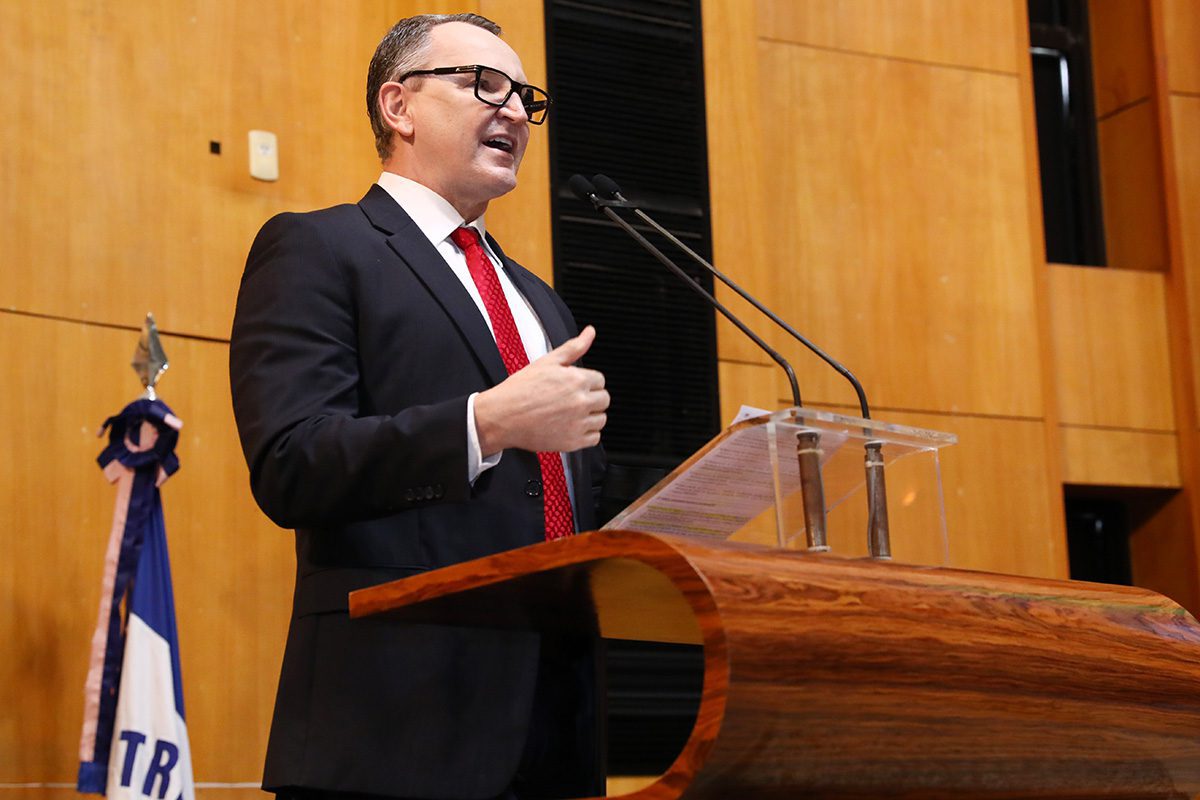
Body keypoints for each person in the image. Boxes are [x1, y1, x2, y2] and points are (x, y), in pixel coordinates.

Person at [229, 13, 609, 800]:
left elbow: (559, 501)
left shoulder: (539, 301)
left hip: (552, 729)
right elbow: (293, 463)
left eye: (525, 97)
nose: (513, 110)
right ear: (398, 107)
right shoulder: (320, 249)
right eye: (484, 84)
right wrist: (486, 423)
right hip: (393, 729)